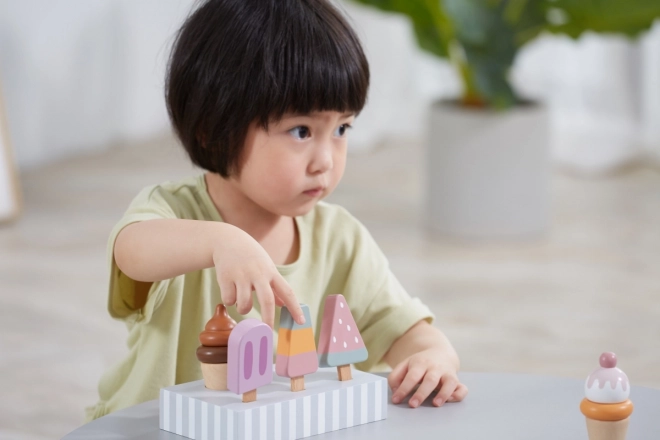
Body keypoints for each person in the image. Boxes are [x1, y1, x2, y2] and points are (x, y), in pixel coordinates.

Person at [86, 0, 467, 421]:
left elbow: (404, 330)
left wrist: (432, 356)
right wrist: (222, 242)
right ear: (213, 130)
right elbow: (132, 252)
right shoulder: (173, 212)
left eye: (341, 128)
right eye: (301, 131)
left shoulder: (340, 239)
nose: (326, 159)